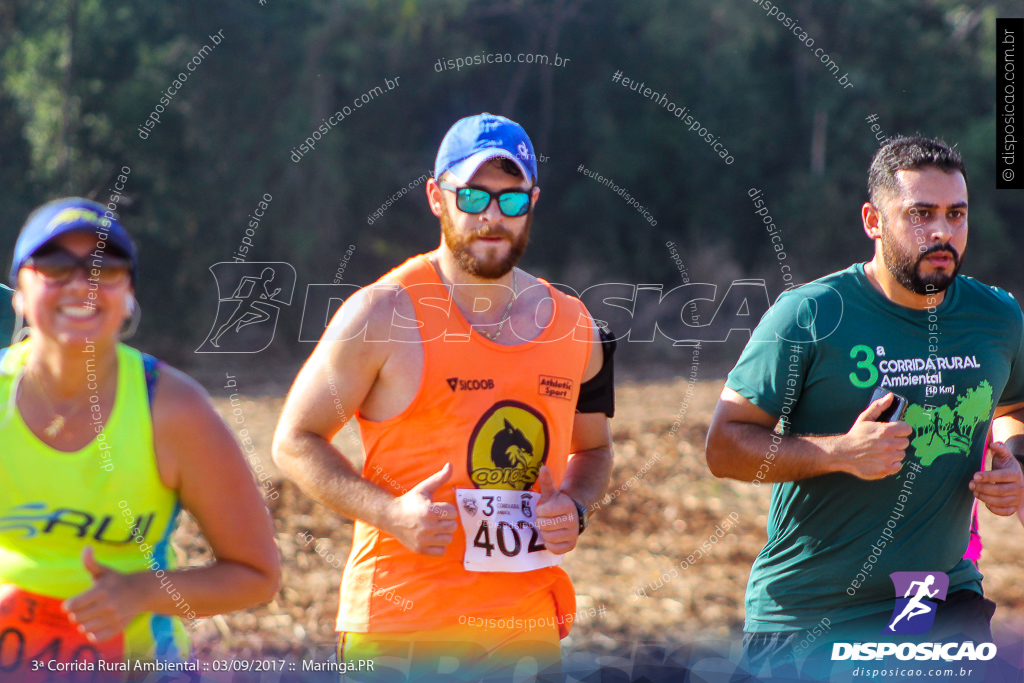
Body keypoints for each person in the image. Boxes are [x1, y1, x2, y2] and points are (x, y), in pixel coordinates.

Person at [272, 113, 615, 680]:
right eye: (473, 195)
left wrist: (574, 508)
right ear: (437, 196)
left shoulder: (578, 326)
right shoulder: (382, 313)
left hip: (525, 631)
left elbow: (596, 451)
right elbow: (293, 441)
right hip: (401, 631)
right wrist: (391, 514)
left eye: (511, 200)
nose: (491, 217)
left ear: (533, 201)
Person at [704, 137, 1024, 678]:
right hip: (811, 611)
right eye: (920, 214)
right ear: (873, 220)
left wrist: (1014, 463)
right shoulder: (809, 313)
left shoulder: (998, 317)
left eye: (956, 214)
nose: (943, 232)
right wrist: (839, 453)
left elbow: (1012, 405)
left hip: (940, 599)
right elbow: (724, 446)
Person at [0, 198, 281, 679]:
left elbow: (257, 576)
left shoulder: (172, 409)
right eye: (52, 265)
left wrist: (139, 593)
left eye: (104, 268)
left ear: (128, 292)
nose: (80, 284)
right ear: (19, 293)